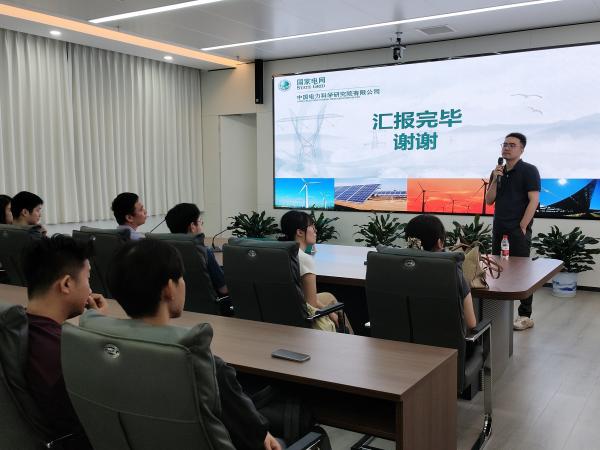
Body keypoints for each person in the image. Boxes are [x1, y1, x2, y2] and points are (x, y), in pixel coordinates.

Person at [88, 239, 281, 450]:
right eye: (180, 277)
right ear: (169, 288)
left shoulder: (99, 349)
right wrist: (264, 433)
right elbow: (255, 436)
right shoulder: (202, 364)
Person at [23, 235, 108, 449]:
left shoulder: (15, 327)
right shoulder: (65, 352)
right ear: (67, 284)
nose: (90, 290)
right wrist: (100, 330)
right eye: (88, 278)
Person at [485, 132, 540, 331]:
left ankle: (525, 315)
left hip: (518, 229)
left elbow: (534, 200)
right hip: (499, 227)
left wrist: (523, 225)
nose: (506, 148)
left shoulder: (529, 170)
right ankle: (499, 310)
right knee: (497, 268)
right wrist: (495, 179)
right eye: (504, 144)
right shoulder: (497, 171)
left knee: (522, 271)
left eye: (512, 145)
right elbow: (489, 200)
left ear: (521, 149)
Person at [404, 214, 477, 330]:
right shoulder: (451, 269)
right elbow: (470, 323)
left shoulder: (395, 267)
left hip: (399, 339)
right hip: (445, 340)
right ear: (439, 242)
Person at [279, 210, 346, 333]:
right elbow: (312, 304)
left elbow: (304, 296)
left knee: (329, 296)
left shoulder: (281, 252)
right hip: (304, 317)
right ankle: (347, 334)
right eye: (312, 227)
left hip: (283, 311)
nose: (315, 231)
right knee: (335, 310)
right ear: (300, 232)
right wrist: (330, 313)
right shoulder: (304, 259)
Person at [165, 202, 228, 296]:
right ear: (192, 226)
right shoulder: (203, 252)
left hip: (179, 301)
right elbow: (224, 289)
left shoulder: (167, 251)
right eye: (200, 222)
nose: (202, 224)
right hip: (210, 304)